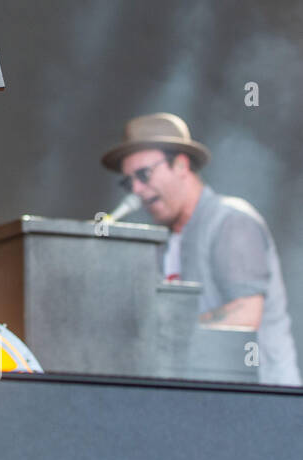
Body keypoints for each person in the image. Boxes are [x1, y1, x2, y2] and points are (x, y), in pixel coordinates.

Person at [102, 112, 301, 385]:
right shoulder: (164, 243)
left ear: (181, 165)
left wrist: (159, 337)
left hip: (261, 403)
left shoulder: (231, 221)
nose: (136, 189)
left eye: (143, 174)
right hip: (206, 402)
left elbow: (244, 316)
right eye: (129, 182)